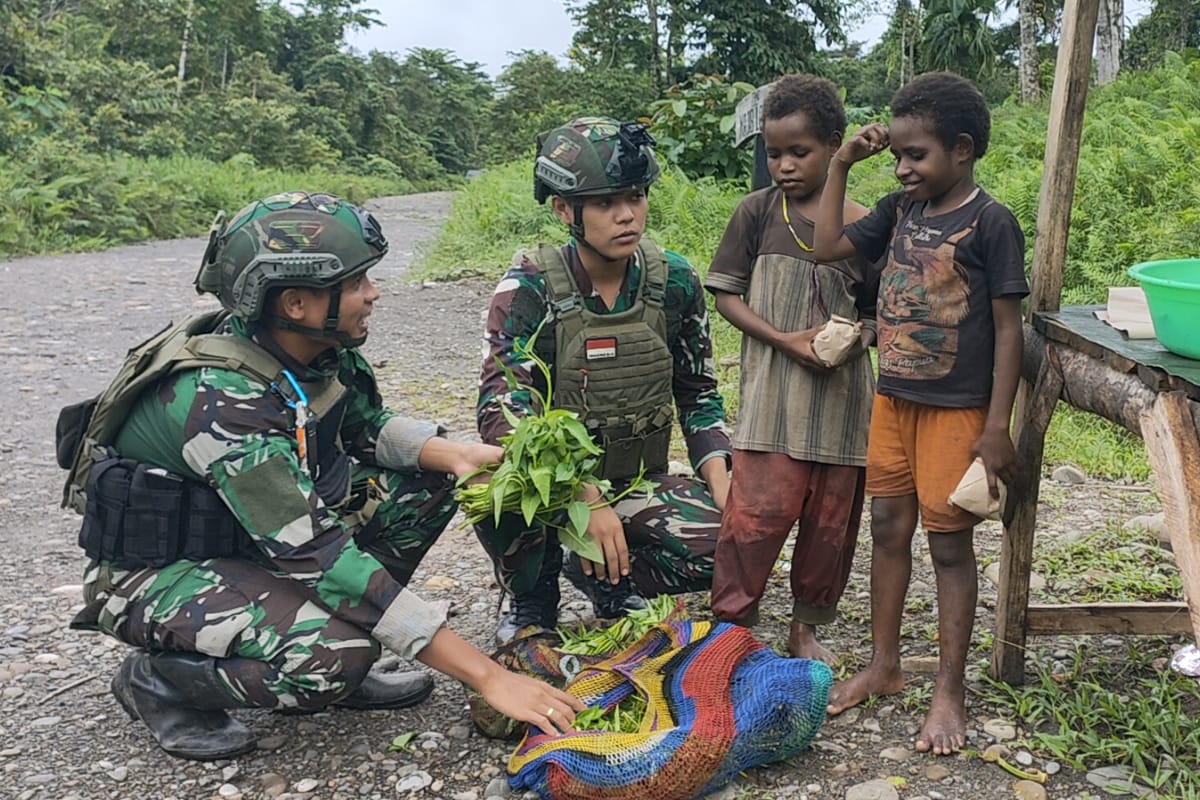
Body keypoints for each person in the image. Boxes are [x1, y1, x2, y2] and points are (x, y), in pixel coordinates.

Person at [66, 191, 583, 761]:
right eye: (358, 281)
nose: (374, 293)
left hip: (254, 546)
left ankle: (347, 630)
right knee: (333, 660)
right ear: (294, 303)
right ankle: (158, 681)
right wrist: (488, 676)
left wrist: (454, 455)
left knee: (429, 482)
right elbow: (318, 554)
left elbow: (365, 427)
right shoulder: (224, 400)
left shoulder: (319, 348)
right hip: (157, 573)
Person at [813, 73, 1028, 755]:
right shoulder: (899, 211)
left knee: (948, 544)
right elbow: (825, 247)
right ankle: (884, 665)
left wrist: (997, 428)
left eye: (917, 155)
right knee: (886, 526)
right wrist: (843, 162)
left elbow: (1007, 329)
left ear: (961, 150)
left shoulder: (991, 223)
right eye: (897, 156)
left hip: (957, 411)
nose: (903, 168)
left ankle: (950, 689)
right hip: (894, 401)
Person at [476, 117, 732, 644]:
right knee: (488, 486)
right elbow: (503, 409)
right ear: (564, 210)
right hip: (553, 489)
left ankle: (609, 580)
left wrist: (726, 486)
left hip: (634, 478)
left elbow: (698, 393)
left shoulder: (674, 280)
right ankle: (533, 596)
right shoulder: (530, 285)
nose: (626, 215)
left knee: (723, 542)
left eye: (635, 197)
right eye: (605, 203)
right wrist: (584, 497)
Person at [705, 74, 877, 665]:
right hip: (771, 407)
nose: (782, 165)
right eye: (773, 153)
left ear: (835, 144)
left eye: (797, 152)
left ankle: (805, 629)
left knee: (830, 531)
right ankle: (732, 629)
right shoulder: (756, 212)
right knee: (752, 521)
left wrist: (855, 338)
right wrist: (785, 340)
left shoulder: (864, 226)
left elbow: (881, 313)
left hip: (841, 409)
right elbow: (727, 295)